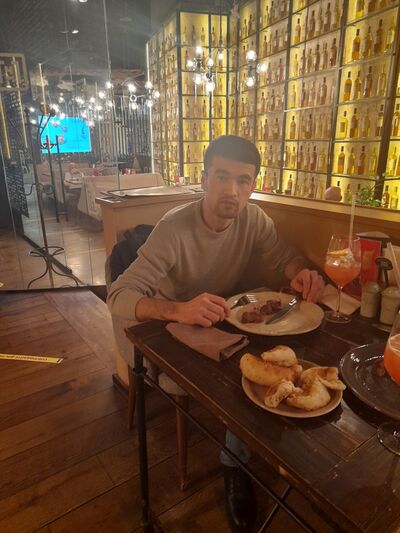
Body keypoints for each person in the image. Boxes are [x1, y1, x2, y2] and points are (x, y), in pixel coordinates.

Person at [107, 135, 324, 531]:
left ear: (253, 185)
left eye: (243, 180)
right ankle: (234, 465)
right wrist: (178, 309)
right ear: (204, 179)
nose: (232, 191)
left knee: (280, 358)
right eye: (222, 177)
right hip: (169, 328)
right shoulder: (174, 228)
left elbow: (282, 256)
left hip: (220, 319)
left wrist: (301, 273)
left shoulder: (254, 218)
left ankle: (283, 452)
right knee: (237, 377)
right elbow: (118, 294)